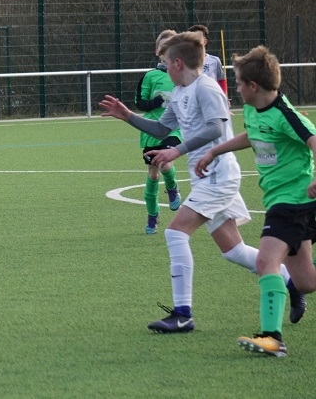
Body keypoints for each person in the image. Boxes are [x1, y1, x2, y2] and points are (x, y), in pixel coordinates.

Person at [99, 31, 304, 333]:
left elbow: (215, 128)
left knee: (175, 232)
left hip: (218, 177)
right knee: (233, 251)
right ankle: (291, 283)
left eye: (166, 63)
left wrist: (177, 150)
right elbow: (161, 128)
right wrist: (128, 116)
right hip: (205, 178)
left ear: (178, 64)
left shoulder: (206, 88)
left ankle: (183, 313)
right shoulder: (180, 92)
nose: (164, 69)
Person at [194, 46, 316, 357]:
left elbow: (314, 140)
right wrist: (215, 150)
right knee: (305, 281)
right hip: (281, 200)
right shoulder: (253, 109)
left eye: (237, 83)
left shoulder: (285, 114)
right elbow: (252, 135)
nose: (235, 89)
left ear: (253, 86)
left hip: (293, 201)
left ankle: (272, 339)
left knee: (265, 262)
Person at [134, 30, 183, 234]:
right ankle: (152, 215)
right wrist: (153, 102)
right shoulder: (150, 76)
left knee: (165, 163)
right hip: (151, 130)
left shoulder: (183, 74)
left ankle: (172, 188)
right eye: (164, 47)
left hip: (174, 130)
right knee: (153, 174)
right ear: (158, 52)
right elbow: (139, 102)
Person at [187, 24, 227, 95]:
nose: (194, 42)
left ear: (205, 41)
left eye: (197, 39)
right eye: (191, 39)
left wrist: (223, 96)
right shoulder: (185, 61)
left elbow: (221, 80)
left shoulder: (215, 61)